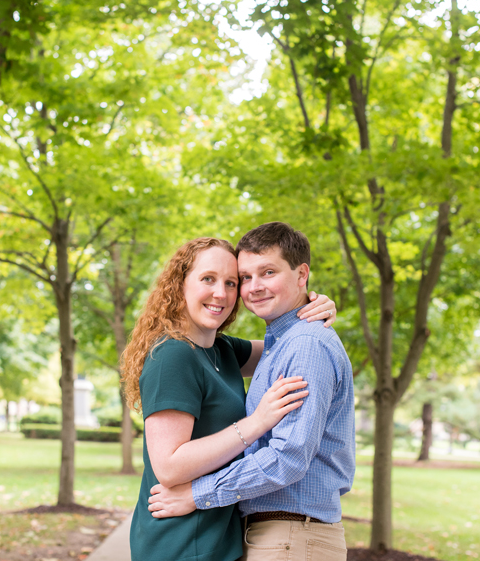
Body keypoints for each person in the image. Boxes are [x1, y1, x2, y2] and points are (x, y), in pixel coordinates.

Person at [147, 222, 356, 561]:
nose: (252, 287)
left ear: (302, 274)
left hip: (291, 536)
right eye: (245, 277)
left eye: (268, 272)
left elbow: (288, 457)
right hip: (280, 536)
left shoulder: (302, 344)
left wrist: (197, 494)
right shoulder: (279, 344)